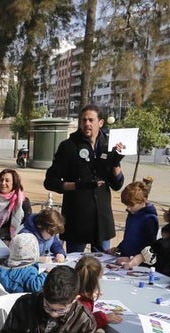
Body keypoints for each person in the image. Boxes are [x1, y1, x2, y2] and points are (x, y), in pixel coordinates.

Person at [44, 104, 125, 253]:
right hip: (77, 221)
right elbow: (50, 181)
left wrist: (116, 163)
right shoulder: (68, 146)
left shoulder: (110, 145)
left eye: (91, 120)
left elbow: (117, 184)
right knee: (75, 268)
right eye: (84, 120)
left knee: (102, 270)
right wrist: (78, 186)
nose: (87, 123)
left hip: (102, 222)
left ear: (100, 123)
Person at [0, 265, 101, 333]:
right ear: (42, 290)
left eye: (60, 310)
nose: (53, 314)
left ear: (75, 299)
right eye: (47, 306)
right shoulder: (24, 304)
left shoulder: (84, 319)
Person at [75, 255, 124, 331]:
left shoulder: (72, 291)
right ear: (95, 282)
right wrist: (104, 317)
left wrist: (89, 294)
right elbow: (83, 325)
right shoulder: (82, 305)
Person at [0, 168, 33, 241]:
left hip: (12, 241)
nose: (3, 183)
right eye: (1, 180)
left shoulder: (22, 202)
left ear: (14, 183)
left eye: (7, 181)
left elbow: (26, 226)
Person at [116, 178, 159, 259]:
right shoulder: (131, 214)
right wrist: (119, 248)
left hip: (137, 261)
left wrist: (134, 259)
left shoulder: (150, 219)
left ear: (143, 201)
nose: (128, 208)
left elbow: (149, 246)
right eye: (127, 205)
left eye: (131, 205)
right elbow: (128, 238)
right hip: (125, 257)